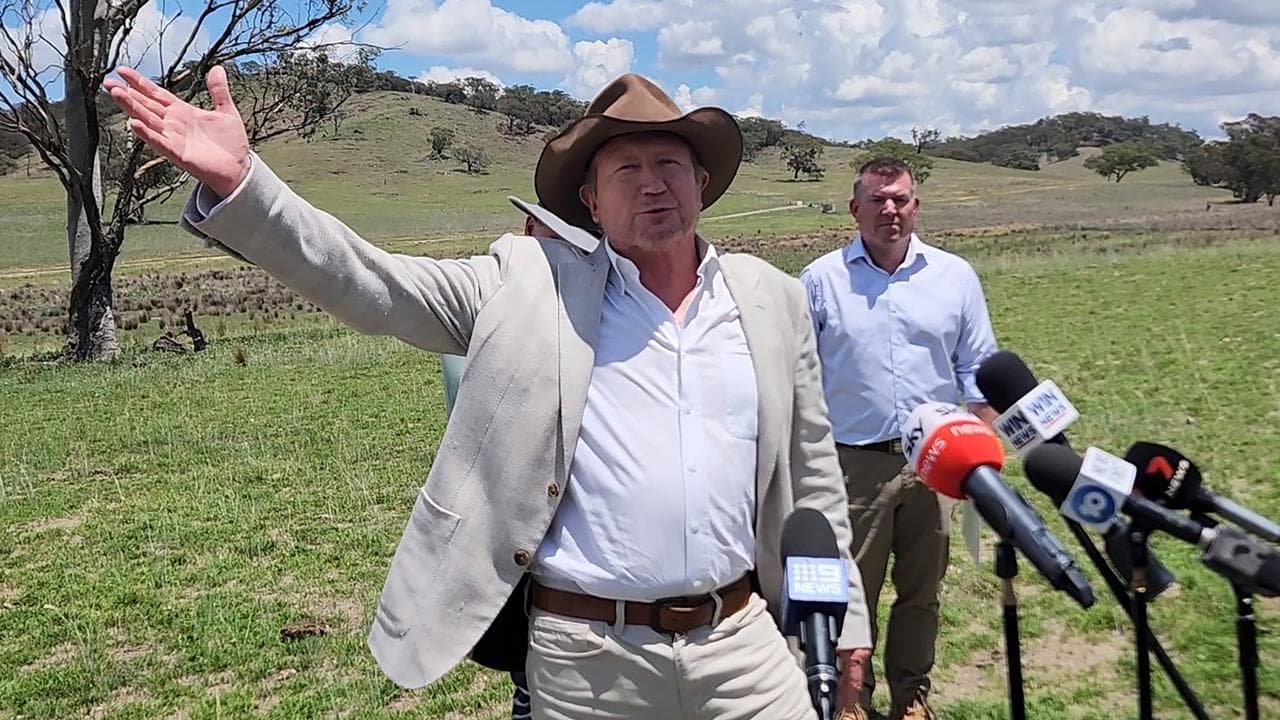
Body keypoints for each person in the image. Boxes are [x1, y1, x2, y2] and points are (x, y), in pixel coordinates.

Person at [105, 65, 873, 719]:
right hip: (587, 660)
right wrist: (249, 186)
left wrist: (846, 627)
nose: (652, 186)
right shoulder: (528, 281)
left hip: (742, 644)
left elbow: (813, 480)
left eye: (669, 165)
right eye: (626, 171)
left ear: (701, 183)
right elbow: (376, 285)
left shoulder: (770, 299)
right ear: (593, 205)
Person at [800, 158, 1000, 720]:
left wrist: (981, 458)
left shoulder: (954, 276)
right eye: (878, 200)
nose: (891, 210)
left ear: (916, 206)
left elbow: (978, 371)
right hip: (851, 465)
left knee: (922, 592)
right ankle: (850, 698)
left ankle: (911, 697)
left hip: (935, 462)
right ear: (854, 208)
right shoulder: (820, 280)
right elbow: (799, 376)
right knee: (849, 591)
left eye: (902, 200)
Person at [441, 203, 567, 720]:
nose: (555, 244)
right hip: (503, 492)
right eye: (546, 230)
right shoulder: (487, 297)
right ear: (529, 230)